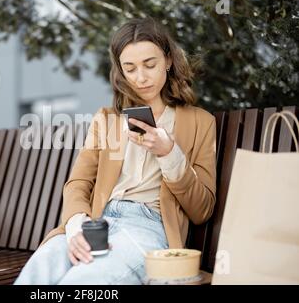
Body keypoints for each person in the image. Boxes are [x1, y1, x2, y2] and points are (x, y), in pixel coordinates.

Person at [14, 17, 216, 285]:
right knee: (37, 273)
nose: (141, 78)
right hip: (96, 223)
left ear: (168, 61)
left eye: (150, 64)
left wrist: (169, 154)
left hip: (147, 228)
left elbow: (202, 209)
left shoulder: (199, 122)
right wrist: (77, 228)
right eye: (129, 68)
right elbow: (78, 183)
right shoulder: (107, 119)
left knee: (83, 282)